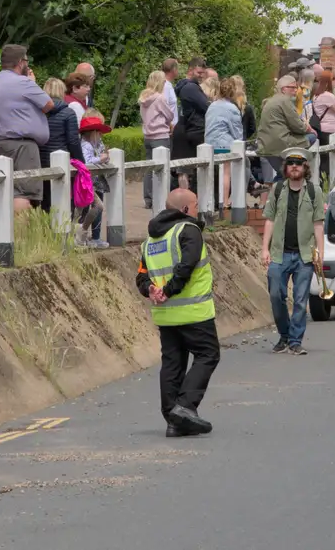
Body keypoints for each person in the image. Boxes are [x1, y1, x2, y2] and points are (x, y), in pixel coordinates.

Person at [135, 188, 218, 437]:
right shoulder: (188, 230)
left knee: (173, 363)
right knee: (208, 354)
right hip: (193, 312)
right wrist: (170, 290)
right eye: (195, 205)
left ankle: (173, 419)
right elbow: (187, 265)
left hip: (165, 314)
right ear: (184, 210)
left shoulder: (150, 241)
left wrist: (150, 289)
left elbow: (141, 275)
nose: (197, 210)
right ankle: (185, 407)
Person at [259, 147, 325, 355]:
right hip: (279, 253)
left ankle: (295, 341)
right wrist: (264, 249)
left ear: (305, 167)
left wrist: (320, 252)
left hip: (304, 255)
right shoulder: (277, 189)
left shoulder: (315, 191)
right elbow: (269, 220)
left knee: (300, 299)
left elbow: (318, 225)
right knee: (275, 295)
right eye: (290, 163)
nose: (294, 166)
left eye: (298, 163)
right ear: (286, 168)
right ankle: (284, 335)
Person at [0, 44, 52, 207]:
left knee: (4, 189)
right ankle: (21, 231)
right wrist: (32, 83)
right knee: (24, 192)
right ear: (21, 62)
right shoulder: (24, 83)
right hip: (22, 145)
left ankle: (4, 230)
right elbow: (48, 105)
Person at [40, 78, 82, 213]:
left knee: (46, 202)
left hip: (42, 161)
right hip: (63, 163)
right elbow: (73, 141)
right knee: (64, 203)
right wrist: (81, 162)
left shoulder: (40, 112)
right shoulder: (68, 113)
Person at [138, 70, 176, 210]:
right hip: (160, 135)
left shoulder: (143, 98)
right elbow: (169, 115)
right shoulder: (160, 98)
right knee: (162, 168)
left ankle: (148, 198)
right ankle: (161, 198)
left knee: (149, 168)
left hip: (148, 136)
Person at [205, 75, 245, 209]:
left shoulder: (211, 106)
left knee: (210, 175)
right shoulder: (232, 108)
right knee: (226, 173)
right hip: (225, 144)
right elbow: (237, 131)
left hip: (209, 144)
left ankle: (208, 202)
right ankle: (225, 202)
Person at [256, 75, 304, 181]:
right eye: (293, 87)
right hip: (280, 144)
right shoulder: (284, 101)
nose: (296, 90)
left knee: (282, 174)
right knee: (311, 137)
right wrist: (308, 128)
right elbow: (298, 127)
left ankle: (276, 194)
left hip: (265, 145)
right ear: (283, 89)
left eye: (296, 87)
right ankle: (300, 167)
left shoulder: (271, 101)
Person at [170, 57, 210, 182]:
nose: (201, 76)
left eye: (203, 73)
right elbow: (206, 106)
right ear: (191, 70)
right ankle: (187, 199)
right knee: (185, 170)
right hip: (192, 129)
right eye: (199, 73)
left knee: (184, 169)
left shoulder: (185, 87)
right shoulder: (191, 88)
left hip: (185, 128)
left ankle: (186, 198)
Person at [75, 112, 111, 247]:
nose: (101, 135)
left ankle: (90, 236)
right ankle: (82, 235)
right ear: (93, 132)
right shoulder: (86, 145)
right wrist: (100, 159)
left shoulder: (95, 144)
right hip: (87, 181)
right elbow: (87, 161)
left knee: (94, 208)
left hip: (95, 180)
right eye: (99, 132)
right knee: (86, 209)